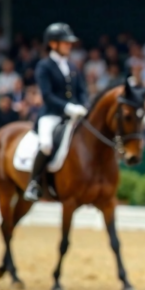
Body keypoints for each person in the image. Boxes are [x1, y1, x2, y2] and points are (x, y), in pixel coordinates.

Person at [23, 23, 88, 202]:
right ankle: (33, 183)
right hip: (51, 114)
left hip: (74, 115)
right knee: (46, 145)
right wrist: (68, 107)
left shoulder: (73, 67)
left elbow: (82, 90)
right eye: (65, 42)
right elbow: (47, 95)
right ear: (53, 44)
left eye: (69, 42)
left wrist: (84, 105)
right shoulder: (44, 66)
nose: (69, 45)